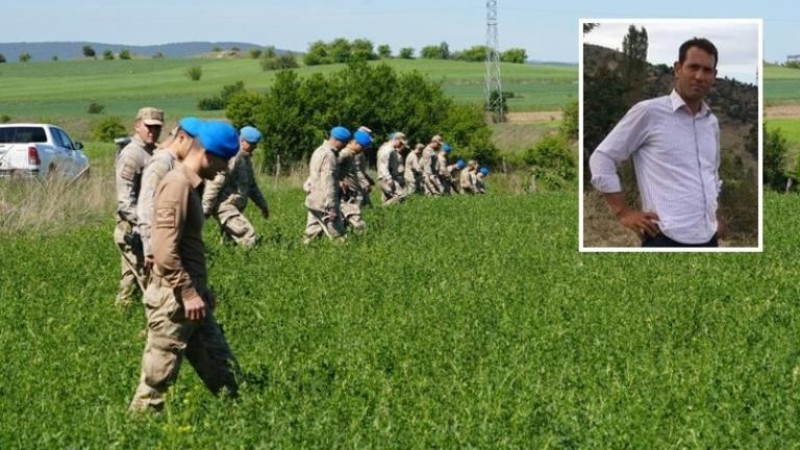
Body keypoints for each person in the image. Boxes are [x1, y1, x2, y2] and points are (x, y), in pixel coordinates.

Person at [129, 120, 241, 413]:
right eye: (223, 161)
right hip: (174, 301)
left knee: (223, 370)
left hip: (192, 300)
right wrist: (189, 292)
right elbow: (164, 249)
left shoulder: (190, 185)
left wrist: (201, 292)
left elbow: (187, 247)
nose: (225, 169)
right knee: (156, 382)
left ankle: (241, 419)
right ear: (206, 155)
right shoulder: (177, 185)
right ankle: (136, 432)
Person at [588, 37, 721, 248]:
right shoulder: (649, 112)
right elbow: (602, 158)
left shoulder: (711, 122)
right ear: (678, 69)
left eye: (707, 70)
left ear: (714, 76)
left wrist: (712, 216)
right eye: (693, 67)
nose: (699, 76)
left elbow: (712, 173)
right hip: (664, 239)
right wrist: (623, 212)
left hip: (709, 238)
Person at [138, 117, 202, 274]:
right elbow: (147, 205)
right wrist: (150, 249)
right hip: (158, 245)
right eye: (193, 146)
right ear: (181, 137)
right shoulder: (162, 162)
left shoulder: (176, 162)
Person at [114, 107, 164, 307]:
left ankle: (122, 314)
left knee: (131, 279)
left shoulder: (153, 151)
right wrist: (147, 225)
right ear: (137, 126)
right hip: (133, 230)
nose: (152, 132)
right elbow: (125, 202)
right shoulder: (132, 155)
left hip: (143, 229)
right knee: (147, 280)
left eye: (157, 128)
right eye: (148, 127)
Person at [202, 126, 270, 248]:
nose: (255, 146)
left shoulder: (246, 159)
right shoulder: (233, 157)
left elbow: (252, 186)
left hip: (234, 207)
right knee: (247, 235)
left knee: (230, 245)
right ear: (242, 141)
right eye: (252, 143)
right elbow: (216, 182)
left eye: (256, 144)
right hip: (225, 207)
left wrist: (262, 205)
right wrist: (206, 207)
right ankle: (252, 264)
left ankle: (227, 262)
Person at [303, 126, 351, 243]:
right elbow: (328, 183)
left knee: (311, 235)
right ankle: (345, 259)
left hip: (313, 199)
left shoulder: (319, 150)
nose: (345, 146)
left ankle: (302, 253)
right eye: (344, 143)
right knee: (340, 238)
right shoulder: (330, 156)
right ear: (337, 140)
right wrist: (331, 208)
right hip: (323, 203)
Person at [337, 129, 373, 233]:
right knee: (357, 221)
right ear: (355, 142)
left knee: (344, 222)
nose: (362, 150)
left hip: (351, 193)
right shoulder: (345, 153)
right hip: (345, 194)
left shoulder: (351, 154)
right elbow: (331, 166)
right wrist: (339, 180)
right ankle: (365, 242)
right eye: (362, 147)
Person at [376, 132, 408, 205]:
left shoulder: (390, 149)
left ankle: (384, 212)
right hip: (386, 178)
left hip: (386, 177)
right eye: (400, 143)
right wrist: (389, 179)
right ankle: (382, 208)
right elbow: (383, 166)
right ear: (396, 139)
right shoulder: (387, 150)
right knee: (401, 195)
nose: (401, 145)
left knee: (388, 198)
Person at [354, 127, 376, 207]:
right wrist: (365, 182)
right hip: (356, 181)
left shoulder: (360, 151)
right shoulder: (356, 151)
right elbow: (356, 169)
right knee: (359, 200)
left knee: (367, 204)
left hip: (359, 179)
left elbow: (361, 168)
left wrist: (367, 178)